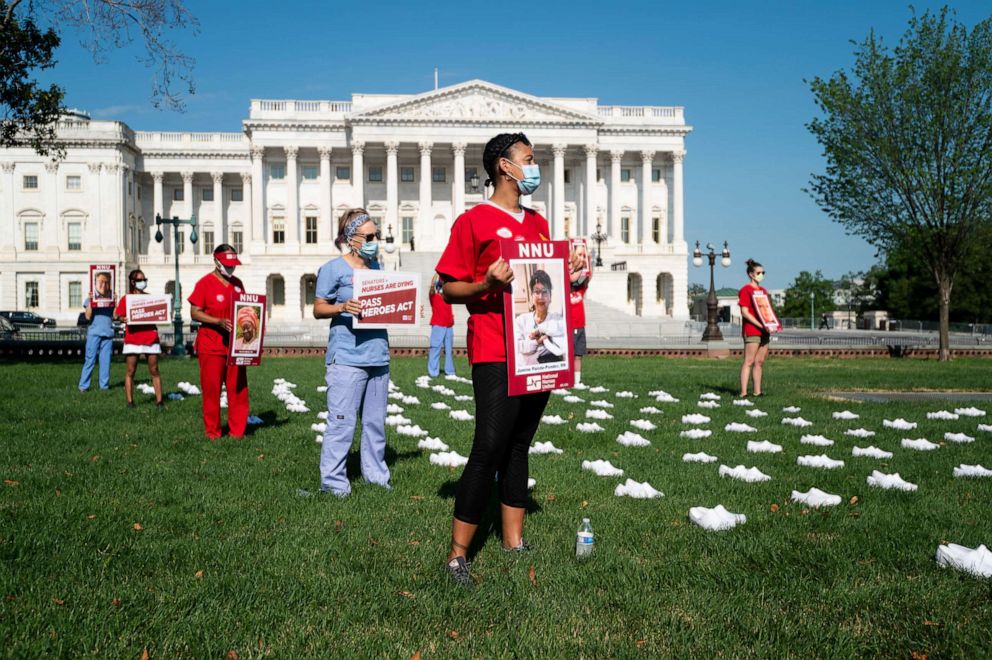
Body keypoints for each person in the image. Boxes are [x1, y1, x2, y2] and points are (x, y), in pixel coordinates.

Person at [435, 132, 552, 587]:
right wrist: (485, 284)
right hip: (495, 347)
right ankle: (457, 555)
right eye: (529, 158)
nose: (535, 164)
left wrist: (574, 275)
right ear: (504, 166)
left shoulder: (538, 223)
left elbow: (547, 282)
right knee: (488, 445)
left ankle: (512, 541)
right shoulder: (475, 221)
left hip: (536, 349)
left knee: (520, 444)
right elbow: (448, 287)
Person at [313, 208, 391, 497]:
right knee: (342, 422)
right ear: (351, 238)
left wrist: (405, 309)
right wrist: (342, 307)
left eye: (377, 235)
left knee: (374, 423)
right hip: (346, 356)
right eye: (369, 236)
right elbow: (318, 308)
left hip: (378, 355)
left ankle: (376, 479)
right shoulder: (333, 269)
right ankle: (334, 484)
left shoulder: (378, 268)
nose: (375, 240)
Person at [188, 244, 248, 439]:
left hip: (235, 346)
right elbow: (195, 312)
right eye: (227, 265)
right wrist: (218, 321)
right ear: (216, 261)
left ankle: (237, 431)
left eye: (233, 265)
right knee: (212, 390)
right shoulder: (204, 283)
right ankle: (213, 432)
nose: (231, 269)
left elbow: (246, 310)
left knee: (238, 388)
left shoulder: (238, 283)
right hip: (211, 345)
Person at [114, 269, 163, 407]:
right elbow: (117, 315)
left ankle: (159, 401)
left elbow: (159, 313)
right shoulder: (127, 299)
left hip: (150, 337)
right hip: (133, 338)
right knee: (130, 371)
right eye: (140, 280)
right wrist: (122, 318)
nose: (143, 282)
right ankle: (130, 402)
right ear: (133, 282)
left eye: (144, 279)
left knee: (154, 370)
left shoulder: (150, 298)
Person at [514, 269, 566, 364]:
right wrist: (536, 342)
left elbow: (563, 344)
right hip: (526, 372)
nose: (541, 296)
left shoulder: (558, 320)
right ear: (531, 297)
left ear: (550, 297)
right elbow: (518, 346)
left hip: (549, 374)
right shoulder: (521, 321)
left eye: (545, 292)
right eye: (537, 292)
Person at [739, 258, 774, 397]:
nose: (762, 275)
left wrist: (770, 324)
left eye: (763, 272)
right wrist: (760, 324)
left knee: (759, 362)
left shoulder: (763, 291)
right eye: (759, 272)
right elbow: (745, 312)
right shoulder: (745, 290)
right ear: (751, 274)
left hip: (765, 330)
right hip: (752, 330)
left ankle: (757, 392)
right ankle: (743, 392)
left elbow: (767, 310)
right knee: (749, 361)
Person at [78, 279, 115, 392]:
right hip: (94, 334)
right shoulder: (91, 298)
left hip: (108, 333)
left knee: (106, 361)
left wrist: (116, 301)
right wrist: (90, 300)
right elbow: (88, 316)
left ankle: (104, 387)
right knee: (90, 360)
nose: (104, 285)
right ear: (96, 284)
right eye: (101, 282)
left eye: (106, 282)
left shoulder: (112, 297)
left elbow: (116, 315)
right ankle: (83, 386)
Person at [568, 241, 592, 383]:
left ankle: (577, 381)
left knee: (578, 355)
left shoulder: (580, 290)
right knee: (569, 355)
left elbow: (587, 278)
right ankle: (568, 379)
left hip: (580, 326)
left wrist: (588, 261)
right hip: (569, 327)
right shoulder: (566, 290)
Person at [427, 273, 456, 378]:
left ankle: (450, 371)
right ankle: (433, 372)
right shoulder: (433, 296)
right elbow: (431, 288)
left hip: (449, 326)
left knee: (449, 350)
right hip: (438, 325)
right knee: (435, 348)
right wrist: (436, 275)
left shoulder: (448, 297)